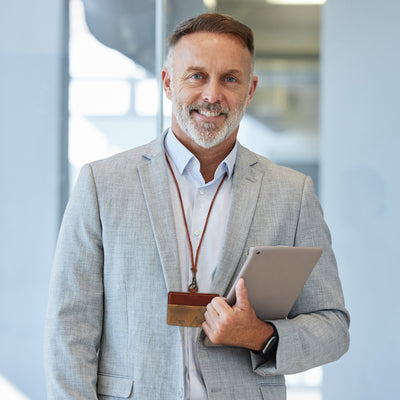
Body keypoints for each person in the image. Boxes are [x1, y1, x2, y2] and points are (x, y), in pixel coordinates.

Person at [44, 13, 350, 400]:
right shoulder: (102, 185)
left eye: (230, 79)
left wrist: (261, 336)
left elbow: (333, 328)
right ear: (168, 83)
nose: (212, 95)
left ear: (250, 90)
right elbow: (70, 329)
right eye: (196, 76)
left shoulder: (292, 194)